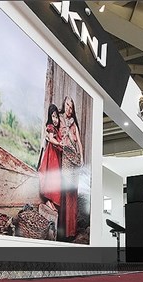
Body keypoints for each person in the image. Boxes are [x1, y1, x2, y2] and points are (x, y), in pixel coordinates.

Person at [59, 96, 84, 241]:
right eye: (67, 105)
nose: (69, 108)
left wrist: (82, 157)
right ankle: (64, 231)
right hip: (66, 159)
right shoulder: (60, 120)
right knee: (66, 192)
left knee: (73, 193)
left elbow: (79, 142)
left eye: (71, 106)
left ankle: (72, 231)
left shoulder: (74, 124)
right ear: (64, 105)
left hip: (75, 160)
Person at [38, 103, 63, 212]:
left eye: (57, 117)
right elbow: (51, 139)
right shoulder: (50, 127)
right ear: (50, 117)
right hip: (51, 154)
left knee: (55, 178)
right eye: (53, 116)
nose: (55, 119)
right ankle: (48, 200)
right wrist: (59, 144)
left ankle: (51, 202)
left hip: (55, 155)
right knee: (52, 176)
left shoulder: (57, 129)